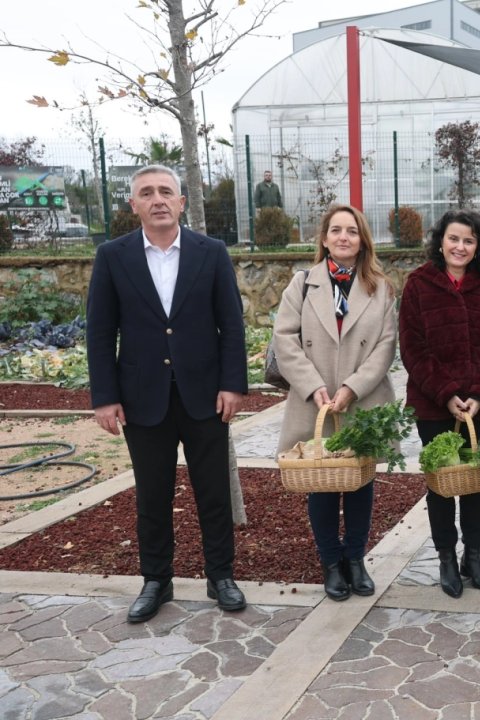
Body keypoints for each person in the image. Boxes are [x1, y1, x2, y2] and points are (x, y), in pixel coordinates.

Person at [86, 164, 248, 622]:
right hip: (142, 398)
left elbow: (231, 324)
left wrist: (233, 384)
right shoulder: (113, 256)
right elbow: (101, 332)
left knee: (213, 493)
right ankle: (156, 579)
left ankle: (221, 575)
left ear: (180, 202)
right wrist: (105, 397)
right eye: (146, 193)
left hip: (205, 396)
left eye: (165, 191)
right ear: (133, 204)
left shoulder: (211, 252)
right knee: (152, 495)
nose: (157, 199)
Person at [273, 204, 398, 602]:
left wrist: (352, 387)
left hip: (362, 399)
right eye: (336, 230)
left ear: (362, 240)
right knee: (322, 485)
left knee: (360, 483)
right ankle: (331, 562)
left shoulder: (381, 288)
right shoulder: (302, 284)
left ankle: (355, 559)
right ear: (324, 239)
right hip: (316, 401)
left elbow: (385, 346)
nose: (344, 237)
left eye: (352, 231)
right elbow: (284, 339)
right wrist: (313, 386)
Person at [400, 208, 480, 598]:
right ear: (440, 242)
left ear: (478, 247)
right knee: (442, 483)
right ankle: (446, 557)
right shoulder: (418, 285)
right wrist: (447, 394)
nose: (460, 247)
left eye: (468, 240)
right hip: (434, 405)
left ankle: (474, 556)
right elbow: (412, 347)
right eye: (453, 238)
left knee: (476, 482)